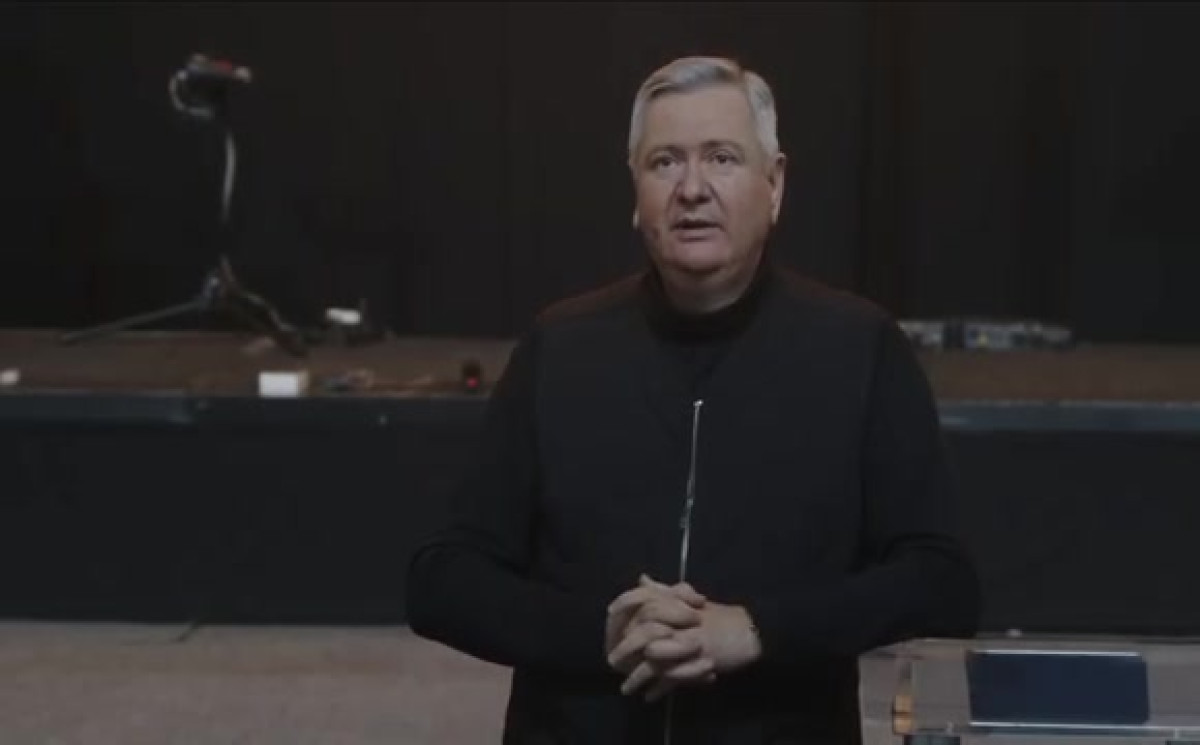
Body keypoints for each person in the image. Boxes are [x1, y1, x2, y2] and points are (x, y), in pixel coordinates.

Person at [406, 55, 979, 745]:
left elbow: (941, 580)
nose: (692, 188)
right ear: (636, 191)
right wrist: (603, 634)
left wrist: (757, 630)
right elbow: (443, 579)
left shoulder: (860, 349)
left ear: (774, 185)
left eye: (722, 158)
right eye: (665, 162)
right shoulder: (560, 347)